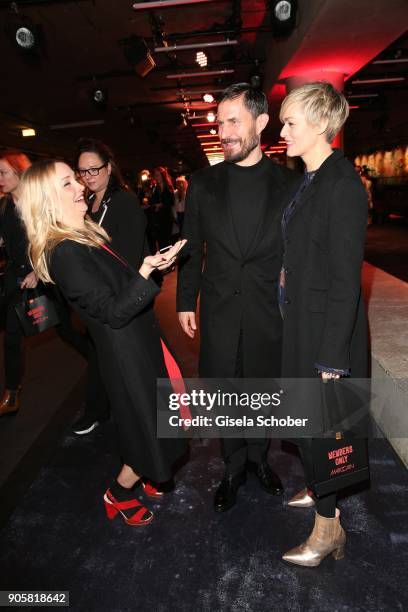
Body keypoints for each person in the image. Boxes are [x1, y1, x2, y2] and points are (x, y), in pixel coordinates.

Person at [19, 159, 187, 526]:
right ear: (47, 200)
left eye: (75, 179)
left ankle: (150, 472)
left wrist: (151, 267)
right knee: (150, 428)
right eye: (67, 183)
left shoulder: (83, 234)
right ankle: (119, 492)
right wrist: (145, 271)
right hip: (126, 352)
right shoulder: (64, 251)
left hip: (140, 341)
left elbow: (119, 291)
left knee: (162, 420)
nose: (80, 186)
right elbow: (112, 312)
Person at [177, 83, 297, 513]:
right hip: (221, 309)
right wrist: (184, 300)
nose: (223, 131)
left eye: (233, 121)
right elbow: (190, 248)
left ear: (261, 123)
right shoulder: (203, 183)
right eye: (219, 122)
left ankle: (260, 459)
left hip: (268, 311)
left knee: (261, 389)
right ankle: (232, 466)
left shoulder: (290, 183)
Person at [278, 81, 368, 566]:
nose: (282, 129)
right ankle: (318, 487)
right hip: (304, 322)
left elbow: (346, 279)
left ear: (320, 125)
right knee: (309, 421)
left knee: (325, 429)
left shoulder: (342, 185)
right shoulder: (311, 179)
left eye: (290, 122)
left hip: (327, 334)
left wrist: (333, 356)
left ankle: (328, 530)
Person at [73, 138, 149, 435]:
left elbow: (129, 258)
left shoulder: (124, 201)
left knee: (123, 361)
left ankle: (136, 420)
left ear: (109, 167)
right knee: (100, 356)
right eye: (83, 171)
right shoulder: (87, 202)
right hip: (99, 293)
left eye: (95, 169)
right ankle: (100, 410)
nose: (89, 176)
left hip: (121, 294)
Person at [0, 151, 37, 416]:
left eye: (3, 172)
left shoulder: (34, 203)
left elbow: (48, 238)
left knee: (67, 331)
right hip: (15, 278)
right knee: (12, 336)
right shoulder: (4, 205)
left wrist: (37, 270)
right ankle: (12, 392)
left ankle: (97, 359)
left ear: (19, 172)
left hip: (40, 277)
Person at [150, 166, 175, 250]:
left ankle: (170, 259)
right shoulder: (154, 188)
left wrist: (161, 205)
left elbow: (171, 202)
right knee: (161, 242)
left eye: (158, 175)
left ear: (162, 175)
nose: (156, 177)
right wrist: (154, 205)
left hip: (166, 217)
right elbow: (152, 202)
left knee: (167, 240)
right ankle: (164, 259)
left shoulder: (168, 187)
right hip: (158, 218)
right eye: (155, 175)